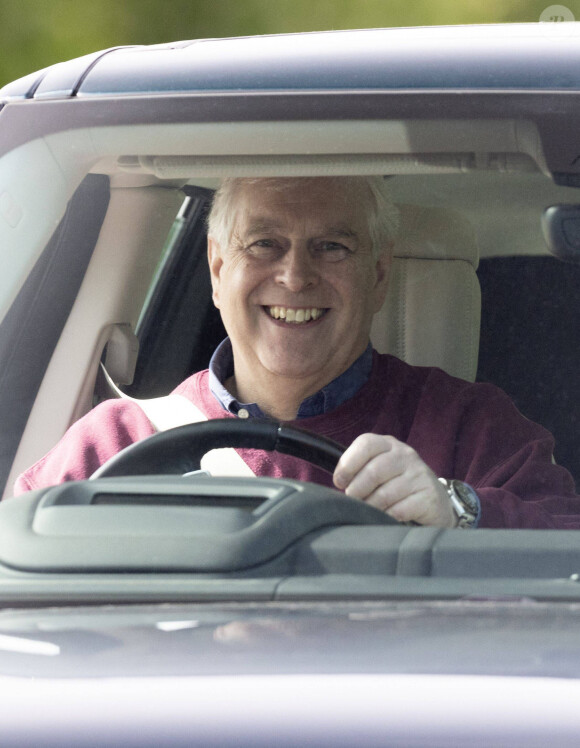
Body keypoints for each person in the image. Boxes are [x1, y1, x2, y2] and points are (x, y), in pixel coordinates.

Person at [13, 177, 580, 529]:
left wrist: (455, 510)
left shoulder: (471, 428)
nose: (294, 275)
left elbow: (566, 552)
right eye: (264, 244)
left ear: (378, 275)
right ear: (217, 268)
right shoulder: (116, 442)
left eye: (331, 247)